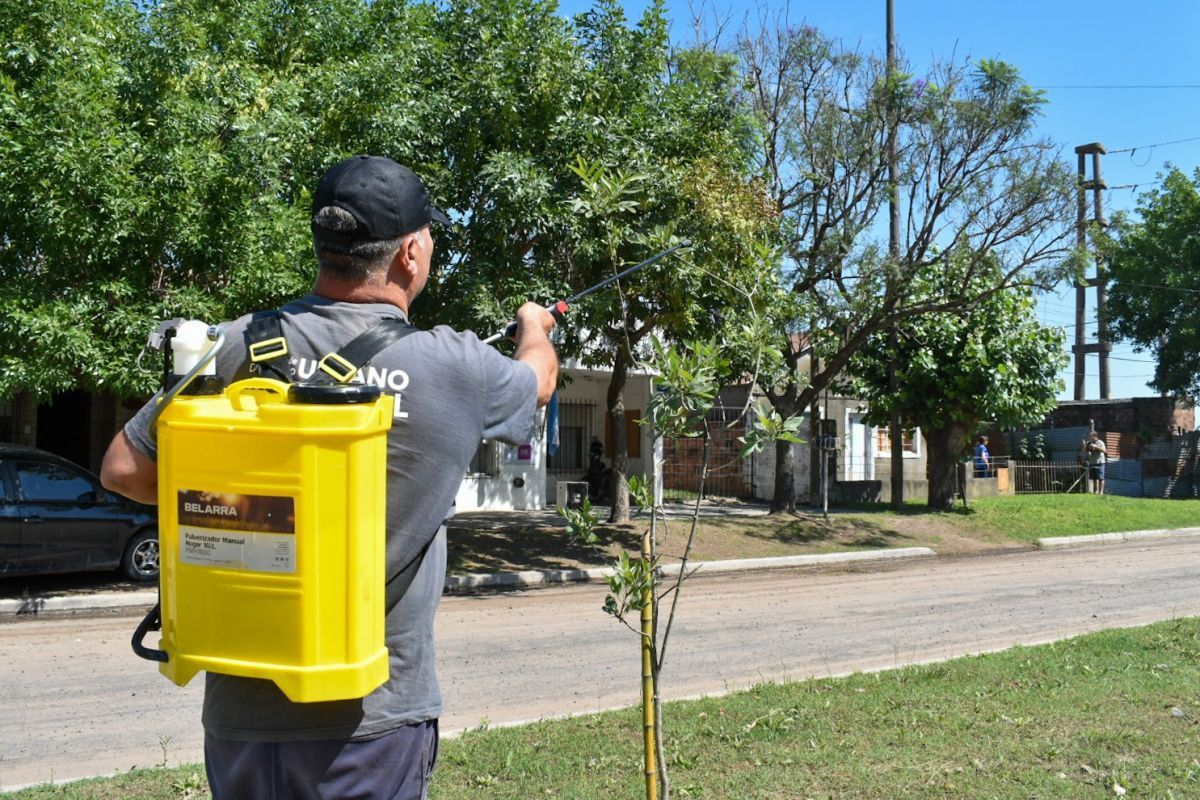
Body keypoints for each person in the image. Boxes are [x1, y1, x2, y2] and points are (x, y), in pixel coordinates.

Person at [100, 155, 558, 800]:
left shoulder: (232, 345)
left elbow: (124, 469)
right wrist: (535, 327)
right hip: (369, 719)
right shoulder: (454, 365)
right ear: (410, 253)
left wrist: (235, 502)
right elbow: (537, 382)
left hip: (242, 713)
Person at [1086, 430, 1107, 495]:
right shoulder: (1089, 443)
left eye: (1090, 436)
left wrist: (1096, 446)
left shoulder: (1100, 442)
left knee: (1100, 478)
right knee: (1094, 478)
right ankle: (1096, 492)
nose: (1089, 437)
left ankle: (1101, 492)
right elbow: (1085, 451)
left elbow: (1104, 450)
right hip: (1092, 463)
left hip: (1100, 462)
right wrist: (1084, 445)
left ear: (1094, 436)